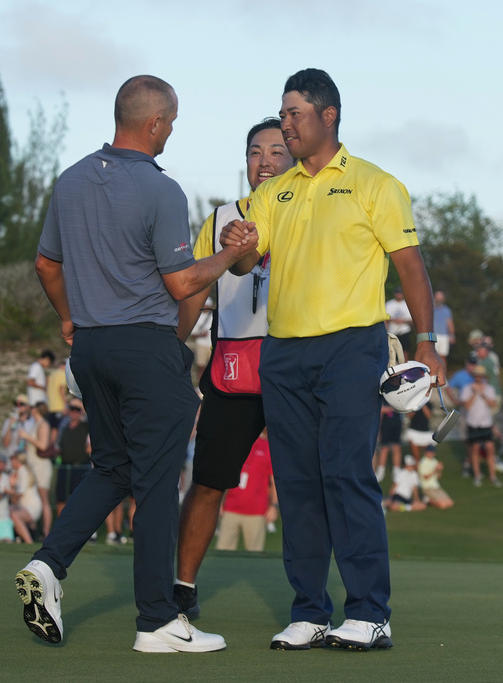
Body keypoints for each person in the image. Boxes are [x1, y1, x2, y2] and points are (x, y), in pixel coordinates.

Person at [18, 75, 249, 652]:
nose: (171, 130)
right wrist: (230, 253)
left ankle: (48, 565)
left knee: (114, 469)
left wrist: (70, 320)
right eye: (170, 121)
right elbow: (181, 281)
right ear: (154, 123)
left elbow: (47, 267)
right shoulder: (160, 189)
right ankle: (157, 622)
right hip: (145, 350)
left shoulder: (70, 180)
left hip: (91, 348)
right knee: (154, 485)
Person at [218, 68, 445, 652]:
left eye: (294, 114)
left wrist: (428, 340)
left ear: (329, 116)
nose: (285, 124)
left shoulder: (376, 184)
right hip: (285, 352)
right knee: (296, 483)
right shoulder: (275, 191)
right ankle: (310, 611)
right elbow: (247, 265)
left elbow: (411, 266)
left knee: (346, 475)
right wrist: (238, 249)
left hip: (351, 347)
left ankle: (370, 612)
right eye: (283, 113)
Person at [171, 117, 294, 621]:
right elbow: (193, 289)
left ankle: (312, 601)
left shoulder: (311, 212)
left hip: (294, 367)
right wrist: (167, 344)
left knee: (303, 488)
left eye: (276, 152)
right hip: (232, 369)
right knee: (208, 482)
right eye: (255, 152)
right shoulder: (221, 216)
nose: (264, 162)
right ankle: (181, 587)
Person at [215, 430, 278, 551]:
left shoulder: (267, 447)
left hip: (256, 511)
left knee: (255, 554)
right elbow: (224, 475)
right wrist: (219, 501)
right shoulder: (234, 446)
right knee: (222, 551)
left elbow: (274, 480)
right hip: (230, 508)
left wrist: (274, 505)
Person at [18, 402, 54, 538]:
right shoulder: (36, 423)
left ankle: (46, 532)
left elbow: (43, 446)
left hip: (41, 466)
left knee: (43, 498)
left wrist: (27, 437)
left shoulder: (43, 424)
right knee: (35, 497)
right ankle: (34, 530)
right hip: (34, 465)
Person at [460, 365, 500, 486]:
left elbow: (492, 404)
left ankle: (493, 476)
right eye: (477, 375)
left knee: (490, 448)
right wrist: (474, 393)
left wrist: (482, 394)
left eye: (480, 376)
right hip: (473, 422)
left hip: (486, 423)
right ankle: (477, 475)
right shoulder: (467, 388)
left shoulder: (489, 388)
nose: (478, 378)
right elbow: (466, 406)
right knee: (475, 449)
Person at [54, 397, 90, 518]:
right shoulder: (64, 425)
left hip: (80, 467)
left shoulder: (86, 425)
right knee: (61, 497)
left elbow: (93, 417)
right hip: (65, 466)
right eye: (71, 409)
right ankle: (61, 526)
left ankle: (80, 525)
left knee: (80, 498)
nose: (73, 412)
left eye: (77, 409)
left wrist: (82, 408)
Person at [9, 453, 43, 545]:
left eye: (12, 459)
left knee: (14, 515)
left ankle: (28, 542)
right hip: (24, 506)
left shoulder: (23, 472)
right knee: (8, 510)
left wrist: (10, 488)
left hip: (31, 507)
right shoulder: (15, 472)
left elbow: (18, 496)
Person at [386, 286, 413, 351]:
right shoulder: (389, 304)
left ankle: (404, 361)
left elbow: (412, 320)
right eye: (397, 293)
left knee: (405, 351)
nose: (399, 295)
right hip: (392, 331)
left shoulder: (407, 304)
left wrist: (403, 321)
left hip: (404, 331)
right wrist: (394, 320)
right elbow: (384, 319)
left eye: (400, 293)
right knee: (391, 351)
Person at [432, 290, 456, 362]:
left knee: (443, 357)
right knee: (433, 356)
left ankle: (442, 373)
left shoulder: (447, 310)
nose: (439, 300)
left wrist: (452, 335)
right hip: (433, 335)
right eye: (437, 298)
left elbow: (449, 323)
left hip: (444, 336)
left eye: (441, 298)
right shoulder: (430, 308)